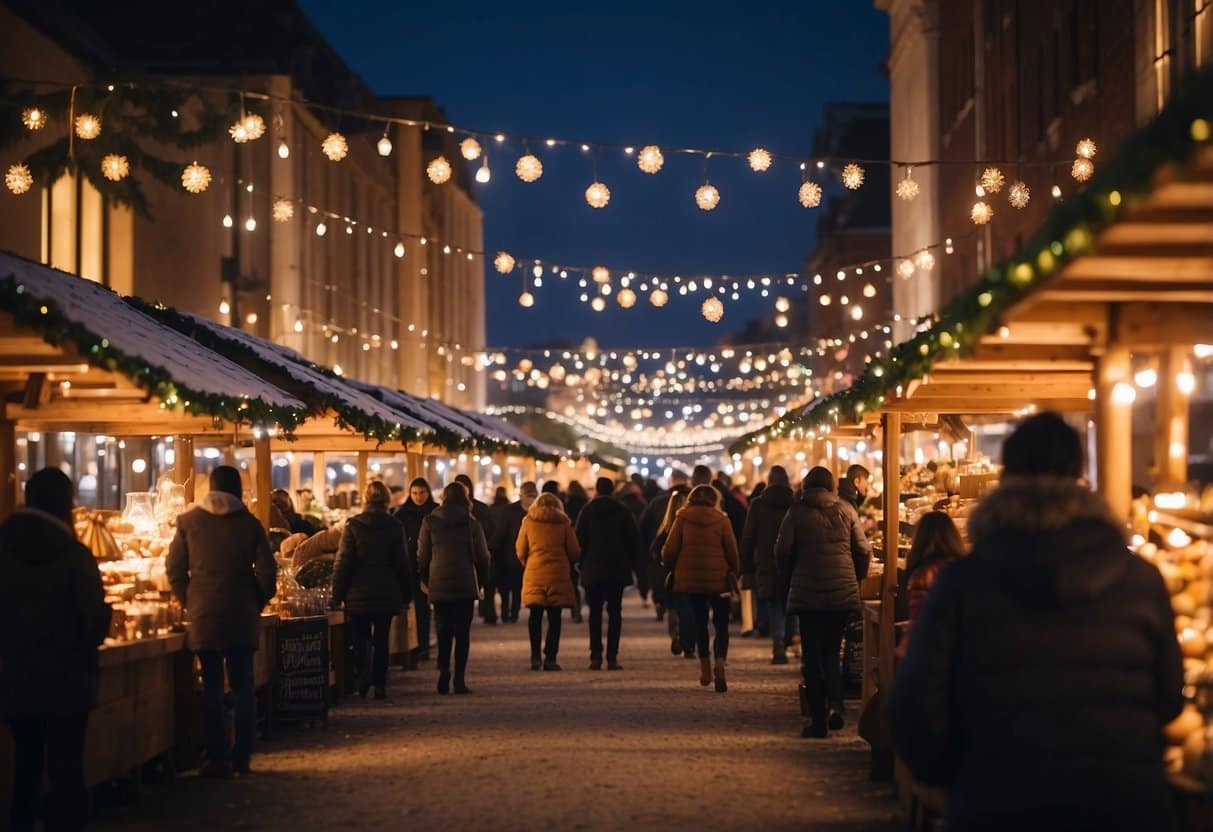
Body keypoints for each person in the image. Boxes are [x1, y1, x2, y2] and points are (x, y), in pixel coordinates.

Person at [891, 413, 1185, 831]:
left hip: (996, 801)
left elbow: (914, 704)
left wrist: (954, 776)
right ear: (1078, 474)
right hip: (1122, 803)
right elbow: (1170, 697)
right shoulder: (1140, 580)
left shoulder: (962, 582)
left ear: (1007, 476)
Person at [1, 468, 110, 831]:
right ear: (65, 503)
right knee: (66, 770)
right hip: (68, 681)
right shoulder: (74, 556)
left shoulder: (4, 548)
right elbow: (92, 622)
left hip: (15, 677)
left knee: (25, 767)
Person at [167, 466, 276, 777]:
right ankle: (242, 756)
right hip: (241, 611)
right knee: (243, 686)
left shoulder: (188, 522)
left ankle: (217, 757)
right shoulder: (250, 524)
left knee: (212, 685)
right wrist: (257, 600)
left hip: (204, 613)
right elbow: (267, 571)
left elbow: (174, 567)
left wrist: (189, 601)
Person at [776, 466, 870, 738]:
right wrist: (857, 576)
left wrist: (791, 572)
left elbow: (782, 551)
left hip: (807, 595)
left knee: (812, 656)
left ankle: (818, 721)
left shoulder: (796, 512)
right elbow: (862, 549)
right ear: (831, 485)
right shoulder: (846, 509)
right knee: (832, 652)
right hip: (841, 592)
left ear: (806, 485)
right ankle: (837, 707)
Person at [331, 481, 412, 699]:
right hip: (386, 591)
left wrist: (336, 595)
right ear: (387, 499)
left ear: (365, 499)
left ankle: (363, 677)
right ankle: (380, 684)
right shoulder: (394, 526)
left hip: (357, 593)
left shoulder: (353, 525)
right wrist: (407, 595)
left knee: (360, 639)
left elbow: (343, 563)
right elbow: (402, 564)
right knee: (382, 639)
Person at [662, 485, 740, 693]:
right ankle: (720, 661)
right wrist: (734, 570)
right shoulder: (722, 520)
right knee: (721, 624)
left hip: (692, 580)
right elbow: (732, 552)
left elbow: (669, 550)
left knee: (700, 622)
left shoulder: (682, 518)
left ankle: (705, 667)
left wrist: (672, 567)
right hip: (719, 580)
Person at [417, 482, 491, 695]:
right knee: (462, 633)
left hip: (439, 583)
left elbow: (422, 556)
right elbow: (483, 556)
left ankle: (443, 668)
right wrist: (484, 582)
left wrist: (425, 579)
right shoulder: (470, 522)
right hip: (464, 582)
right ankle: (459, 679)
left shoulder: (429, 521)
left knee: (442, 630)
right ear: (465, 498)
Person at [575, 477, 641, 670]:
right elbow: (633, 541)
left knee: (594, 613)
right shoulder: (623, 511)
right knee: (615, 613)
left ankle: (595, 655)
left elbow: (579, 539)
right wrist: (630, 563)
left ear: (596, 489)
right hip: (617, 568)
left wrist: (581, 562)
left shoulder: (587, 510)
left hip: (593, 568)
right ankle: (612, 656)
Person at [517, 492, 581, 671]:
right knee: (555, 618)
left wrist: (528, 563)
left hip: (534, 573)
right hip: (558, 573)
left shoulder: (528, 522)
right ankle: (551, 657)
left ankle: (535, 656)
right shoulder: (564, 524)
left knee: (535, 617)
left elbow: (520, 549)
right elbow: (574, 551)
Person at [739, 465, 796, 664]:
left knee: (775, 603)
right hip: (792, 561)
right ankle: (789, 638)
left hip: (767, 561)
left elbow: (748, 537)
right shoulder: (796, 502)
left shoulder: (758, 504)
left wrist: (744, 564)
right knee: (790, 601)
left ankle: (778, 641)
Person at [896, 511, 965, 656]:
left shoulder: (922, 575)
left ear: (919, 539)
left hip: (933, 654)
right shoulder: (966, 570)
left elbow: (918, 622)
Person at [639, 469, 691, 620]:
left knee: (663, 583)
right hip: (689, 555)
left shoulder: (658, 501)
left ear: (672, 480)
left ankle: (661, 603)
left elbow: (643, 526)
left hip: (663, 552)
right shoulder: (692, 499)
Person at [395, 477, 437, 661]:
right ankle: (407, 647)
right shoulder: (402, 514)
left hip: (429, 566)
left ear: (428, 493)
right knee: (406, 609)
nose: (418, 497)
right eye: (415, 493)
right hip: (407, 565)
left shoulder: (435, 512)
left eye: (422, 493)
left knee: (423, 610)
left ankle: (423, 646)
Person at [455, 474, 498, 625]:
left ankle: (488, 612)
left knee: (486, 583)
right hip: (470, 553)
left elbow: (491, 530)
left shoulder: (480, 508)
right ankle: (485, 612)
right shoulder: (478, 508)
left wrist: (487, 546)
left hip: (478, 551)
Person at [651, 489, 690, 656]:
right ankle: (688, 641)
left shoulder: (665, 531)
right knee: (687, 609)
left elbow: (654, 551)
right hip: (688, 573)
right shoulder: (689, 527)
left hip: (669, 575)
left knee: (672, 608)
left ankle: (674, 636)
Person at [490, 482, 535, 623]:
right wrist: (493, 548)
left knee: (516, 588)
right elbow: (501, 533)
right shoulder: (509, 510)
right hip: (507, 554)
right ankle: (505, 612)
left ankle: (513, 613)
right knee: (505, 587)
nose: (529, 500)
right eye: (528, 496)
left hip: (524, 556)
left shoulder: (537, 510)